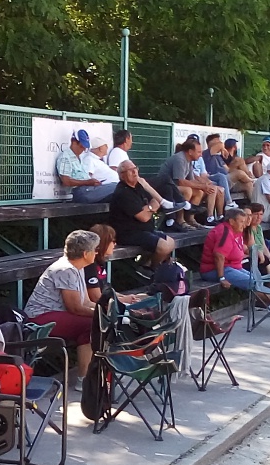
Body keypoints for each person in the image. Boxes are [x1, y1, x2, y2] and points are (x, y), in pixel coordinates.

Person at [24, 230, 100, 383]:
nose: (97, 253)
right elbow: (75, 308)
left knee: (98, 323)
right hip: (39, 317)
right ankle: (85, 380)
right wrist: (102, 313)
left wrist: (105, 309)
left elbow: (85, 301)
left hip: (56, 314)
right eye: (95, 250)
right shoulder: (65, 269)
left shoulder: (78, 268)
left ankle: (91, 376)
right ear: (86, 253)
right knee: (93, 324)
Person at [201, 208, 270, 307]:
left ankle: (269, 304)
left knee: (256, 279)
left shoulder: (236, 230)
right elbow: (219, 256)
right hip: (215, 270)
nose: (244, 224)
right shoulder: (224, 232)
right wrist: (221, 278)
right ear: (231, 221)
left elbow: (242, 247)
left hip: (233, 266)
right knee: (252, 282)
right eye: (241, 221)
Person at [110, 160, 178, 264]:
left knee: (171, 243)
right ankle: (152, 269)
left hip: (145, 230)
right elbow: (143, 217)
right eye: (130, 170)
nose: (134, 172)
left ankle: (146, 264)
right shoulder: (123, 192)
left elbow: (156, 201)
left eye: (135, 169)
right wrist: (151, 207)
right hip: (129, 233)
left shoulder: (138, 187)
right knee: (163, 247)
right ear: (122, 175)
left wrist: (148, 206)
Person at [84, 224, 149, 306]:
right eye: (113, 241)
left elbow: (107, 291)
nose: (115, 245)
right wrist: (124, 300)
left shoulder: (100, 263)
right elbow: (96, 298)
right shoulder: (89, 266)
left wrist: (126, 297)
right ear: (103, 243)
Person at [56, 129, 115, 203]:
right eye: (82, 146)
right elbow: (66, 181)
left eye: (85, 147)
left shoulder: (80, 157)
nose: (83, 149)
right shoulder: (65, 157)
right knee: (117, 187)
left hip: (88, 189)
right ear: (73, 142)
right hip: (81, 192)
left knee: (118, 189)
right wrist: (87, 182)